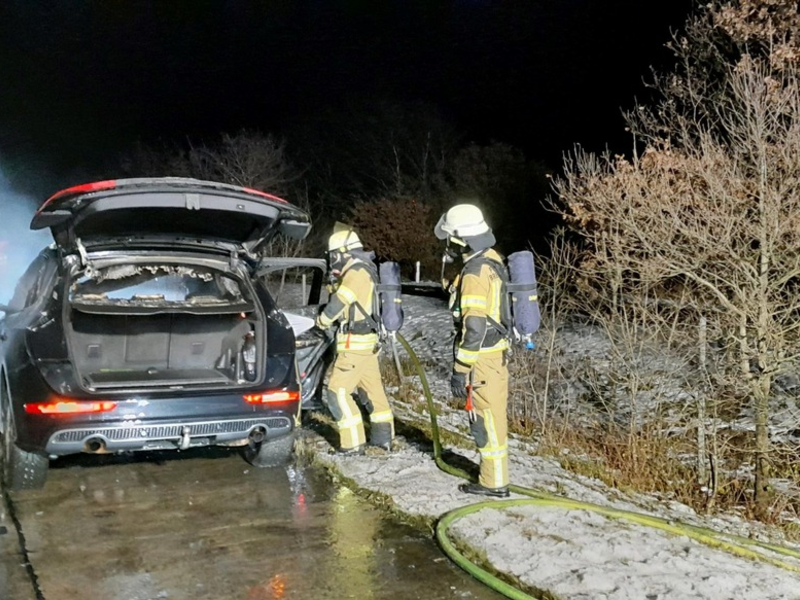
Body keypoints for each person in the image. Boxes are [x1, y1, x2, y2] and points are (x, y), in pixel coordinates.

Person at [434, 203, 511, 498]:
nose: (448, 246)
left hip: (483, 361)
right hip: (495, 356)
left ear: (462, 239)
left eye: (451, 239)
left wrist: (460, 370)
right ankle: (496, 478)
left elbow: (474, 329)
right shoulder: (490, 259)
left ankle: (493, 484)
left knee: (486, 421)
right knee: (493, 419)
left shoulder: (475, 273)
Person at [315, 225, 395, 454]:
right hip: (366, 346)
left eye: (334, 256)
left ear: (342, 253)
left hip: (355, 344)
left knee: (336, 393)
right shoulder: (363, 270)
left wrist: (322, 320)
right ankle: (382, 440)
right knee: (373, 393)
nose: (333, 261)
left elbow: (340, 303)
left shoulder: (356, 272)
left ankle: (352, 444)